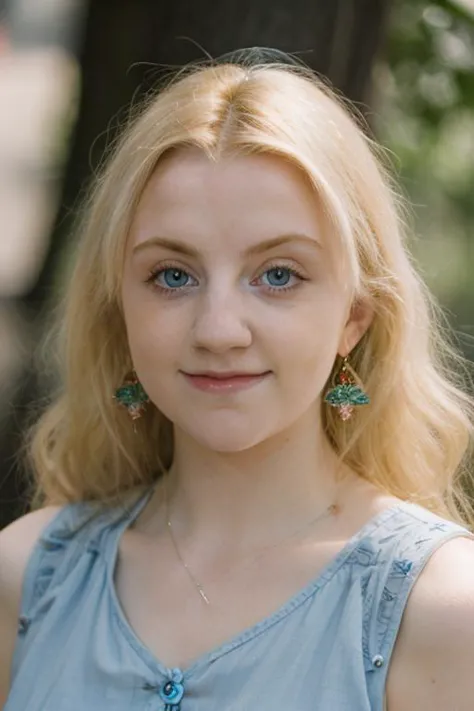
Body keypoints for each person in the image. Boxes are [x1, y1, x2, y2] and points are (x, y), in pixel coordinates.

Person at [1, 52, 474, 711]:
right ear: (121, 314)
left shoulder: (441, 609)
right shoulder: (26, 577)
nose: (219, 329)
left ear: (354, 319)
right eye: (172, 275)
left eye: (278, 274)